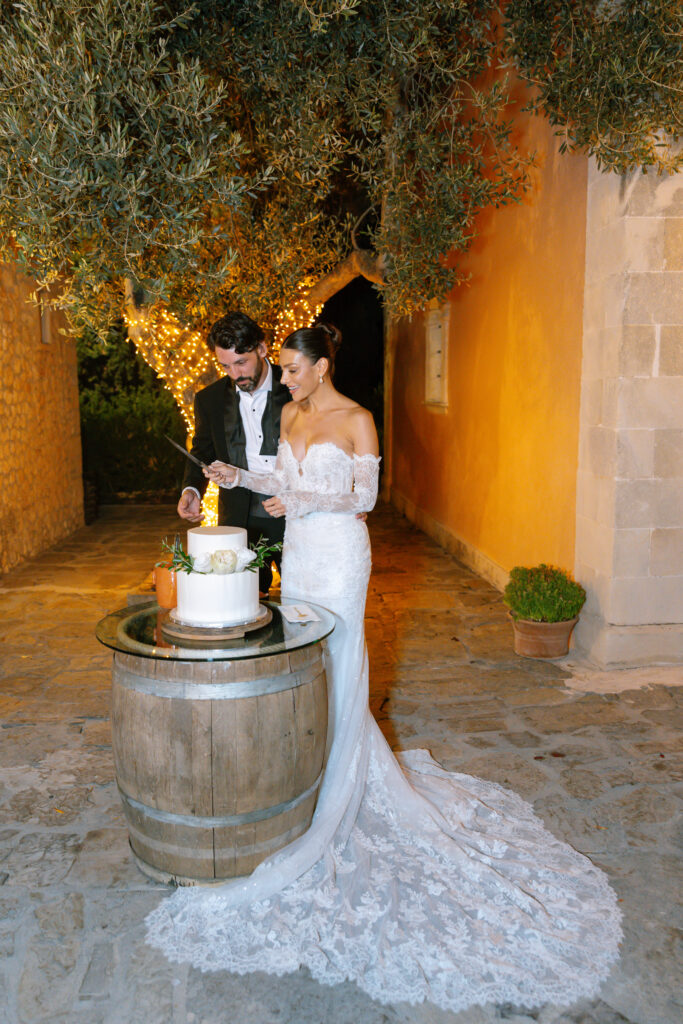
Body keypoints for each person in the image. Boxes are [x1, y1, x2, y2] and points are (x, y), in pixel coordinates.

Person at [146, 323, 621, 1014]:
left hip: (339, 554)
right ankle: (315, 765)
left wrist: (302, 501)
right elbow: (278, 479)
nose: (282, 378)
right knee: (306, 664)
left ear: (319, 365)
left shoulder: (358, 420)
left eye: (290, 368)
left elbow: (365, 501)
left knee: (340, 658)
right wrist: (237, 476)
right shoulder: (290, 413)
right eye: (279, 368)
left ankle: (342, 781)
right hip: (303, 553)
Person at [177, 311, 290, 592]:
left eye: (241, 362)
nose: (235, 374)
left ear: (262, 349)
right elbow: (202, 450)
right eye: (226, 366)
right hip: (239, 521)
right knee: (245, 601)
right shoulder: (210, 399)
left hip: (293, 515)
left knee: (302, 601)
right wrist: (192, 490)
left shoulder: (294, 387)